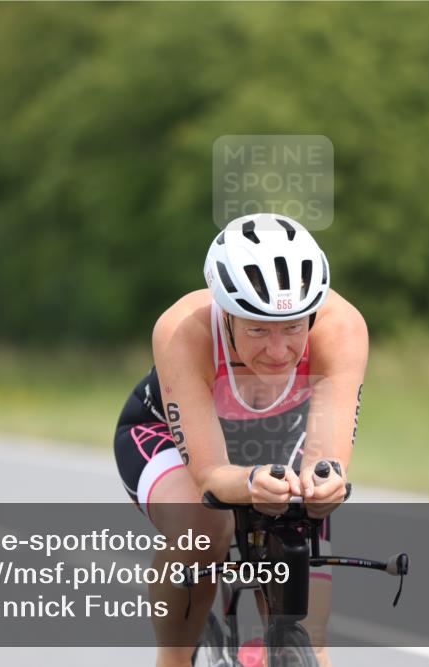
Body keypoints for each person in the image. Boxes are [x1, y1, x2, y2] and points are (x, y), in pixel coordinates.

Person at [114, 213, 368, 667]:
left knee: (309, 624)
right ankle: (172, 659)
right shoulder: (183, 329)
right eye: (257, 329)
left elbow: (327, 458)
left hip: (280, 438)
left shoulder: (342, 328)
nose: (278, 351)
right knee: (204, 530)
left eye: (292, 328)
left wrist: (325, 484)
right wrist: (249, 484)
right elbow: (210, 475)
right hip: (167, 434)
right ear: (225, 314)